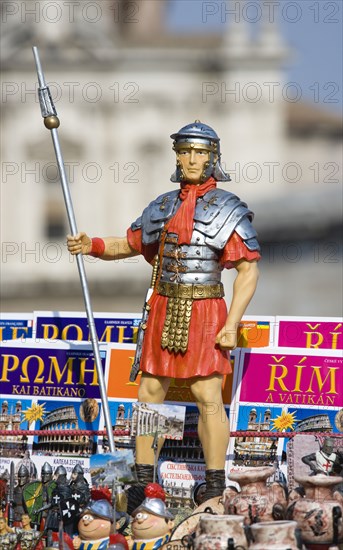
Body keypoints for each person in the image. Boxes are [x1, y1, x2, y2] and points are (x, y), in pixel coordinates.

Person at [67, 121, 260, 501]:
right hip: (163, 305)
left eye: (199, 152)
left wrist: (231, 323)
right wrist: (93, 244)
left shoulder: (228, 209)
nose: (191, 159)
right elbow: (131, 244)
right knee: (149, 393)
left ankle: (215, 485)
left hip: (205, 309)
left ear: (212, 158)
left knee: (208, 395)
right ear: (176, 156)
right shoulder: (162, 205)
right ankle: (141, 483)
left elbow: (248, 270)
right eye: (185, 151)